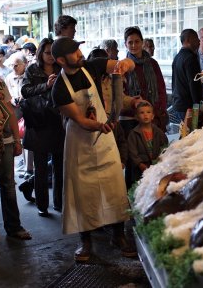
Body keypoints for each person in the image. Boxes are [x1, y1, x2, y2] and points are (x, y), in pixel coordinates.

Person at [51, 36, 136, 262]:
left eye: (79, 50)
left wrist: (125, 65)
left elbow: (122, 64)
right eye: (74, 52)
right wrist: (101, 125)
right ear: (60, 60)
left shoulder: (92, 66)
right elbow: (80, 119)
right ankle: (85, 241)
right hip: (80, 141)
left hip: (105, 142)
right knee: (82, 193)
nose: (79, 54)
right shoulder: (59, 88)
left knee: (115, 187)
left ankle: (118, 235)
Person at [20, 38, 65, 216]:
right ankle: (42, 205)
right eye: (47, 53)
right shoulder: (32, 69)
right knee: (40, 167)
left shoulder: (61, 69)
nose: (51, 56)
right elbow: (25, 91)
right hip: (39, 122)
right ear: (41, 53)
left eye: (53, 53)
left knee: (59, 166)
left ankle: (59, 203)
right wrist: (45, 85)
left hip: (57, 122)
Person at [0, 48, 32, 250]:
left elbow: (9, 109)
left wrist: (17, 140)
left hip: (6, 140)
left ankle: (14, 226)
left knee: (8, 185)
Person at [123, 26, 168, 133]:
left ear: (142, 42)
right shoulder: (123, 66)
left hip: (155, 116)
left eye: (137, 41)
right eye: (130, 42)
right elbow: (122, 95)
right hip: (134, 118)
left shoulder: (153, 63)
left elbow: (161, 88)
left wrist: (158, 110)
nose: (134, 45)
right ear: (125, 44)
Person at [127, 101, 168, 184]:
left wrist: (161, 160)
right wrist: (140, 164)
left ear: (152, 116)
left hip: (156, 167)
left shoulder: (159, 132)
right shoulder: (133, 134)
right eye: (142, 113)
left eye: (148, 112)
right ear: (137, 117)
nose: (145, 115)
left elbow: (165, 146)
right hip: (140, 170)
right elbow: (132, 152)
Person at [171, 29, 203, 123]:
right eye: (196, 38)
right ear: (188, 40)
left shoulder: (177, 57)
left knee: (183, 134)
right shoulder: (191, 58)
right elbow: (194, 84)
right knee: (190, 135)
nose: (199, 41)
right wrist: (198, 107)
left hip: (178, 104)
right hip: (188, 107)